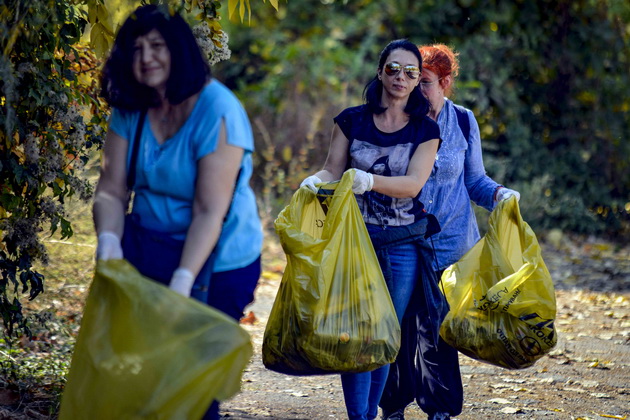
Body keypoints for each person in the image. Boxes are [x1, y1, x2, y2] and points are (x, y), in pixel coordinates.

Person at [92, 5, 263, 419]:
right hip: (148, 249)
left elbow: (209, 210)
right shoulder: (130, 105)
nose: (145, 57)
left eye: (156, 46)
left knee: (190, 384)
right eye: (135, 49)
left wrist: (182, 284)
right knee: (142, 376)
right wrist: (109, 243)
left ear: (179, 50)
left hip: (217, 263)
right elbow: (112, 190)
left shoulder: (216, 110)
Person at [300, 39, 442, 420]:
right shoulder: (352, 119)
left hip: (402, 244)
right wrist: (315, 182)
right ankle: (357, 417)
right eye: (393, 68)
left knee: (383, 334)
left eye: (410, 72)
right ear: (380, 71)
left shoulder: (425, 130)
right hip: (353, 241)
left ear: (417, 82)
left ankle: (368, 413)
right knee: (354, 333)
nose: (401, 77)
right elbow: (333, 168)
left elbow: (413, 185)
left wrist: (369, 181)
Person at [378, 44, 521, 420]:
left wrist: (501, 195)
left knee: (439, 333)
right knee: (399, 329)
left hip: (453, 247)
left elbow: (474, 180)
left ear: (444, 83)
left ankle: (439, 410)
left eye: (423, 82)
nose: (415, 89)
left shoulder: (463, 121)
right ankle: (392, 406)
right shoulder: (402, 119)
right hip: (405, 242)